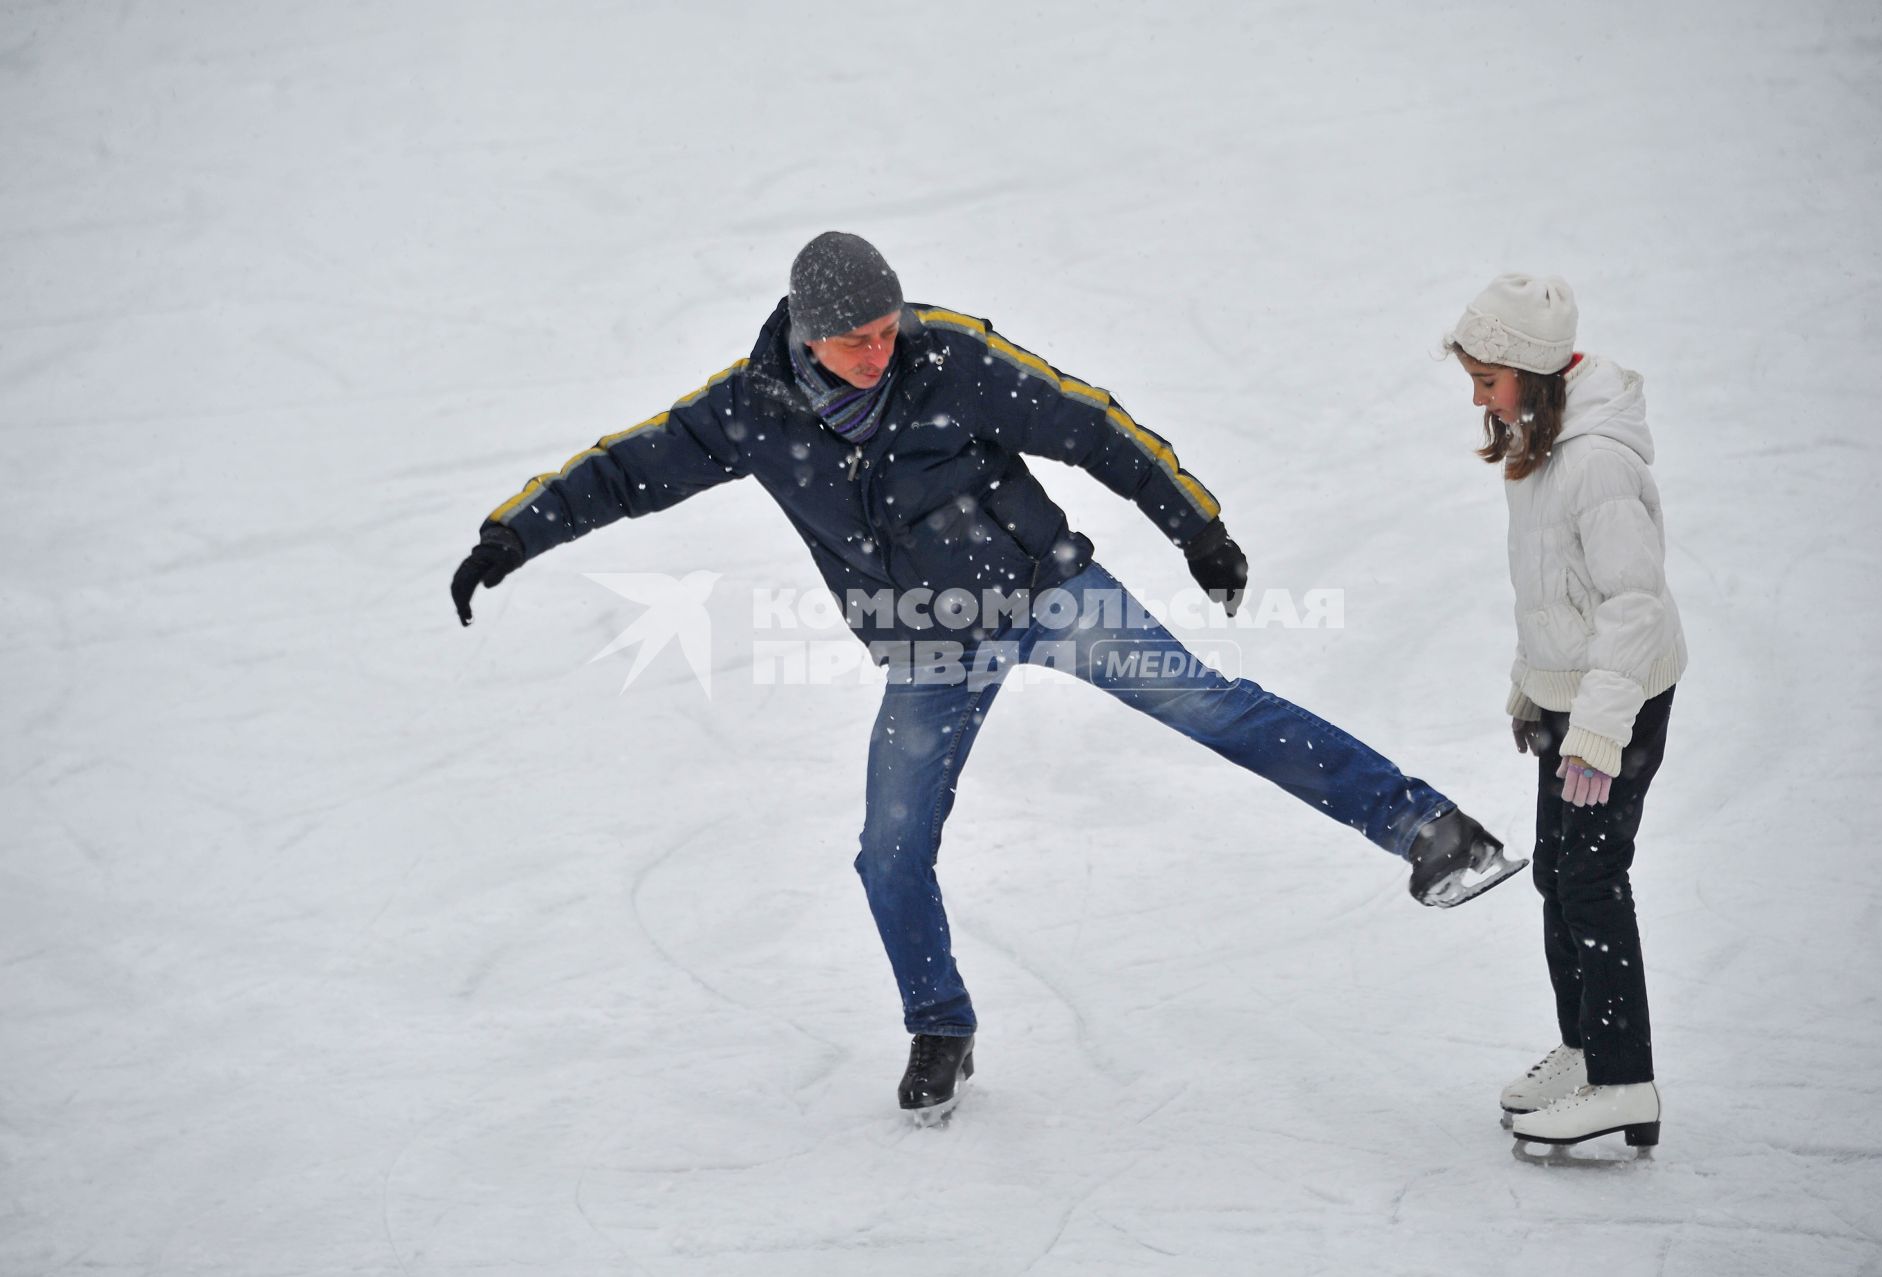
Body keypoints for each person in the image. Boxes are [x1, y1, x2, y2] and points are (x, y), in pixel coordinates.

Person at [453, 231, 1519, 1120]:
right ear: (803, 335)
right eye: (855, 339)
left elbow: (1092, 423)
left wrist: (1196, 527)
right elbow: (627, 467)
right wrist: (512, 535)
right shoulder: (750, 407)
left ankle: (1429, 828)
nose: (879, 350)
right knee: (888, 850)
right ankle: (940, 1023)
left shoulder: (948, 356)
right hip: (926, 640)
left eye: (887, 329)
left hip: (1047, 590)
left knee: (1212, 705)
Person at [1445, 274, 1686, 1150]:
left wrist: (1597, 728)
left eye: (1488, 378)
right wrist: (1532, 682)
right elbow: (1554, 592)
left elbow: (1633, 604)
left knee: (1590, 877)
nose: (1477, 396)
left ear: (1534, 370)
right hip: (1570, 699)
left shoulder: (1596, 460)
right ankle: (1587, 1050)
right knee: (1556, 872)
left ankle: (1626, 1080)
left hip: (1616, 704)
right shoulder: (1537, 443)